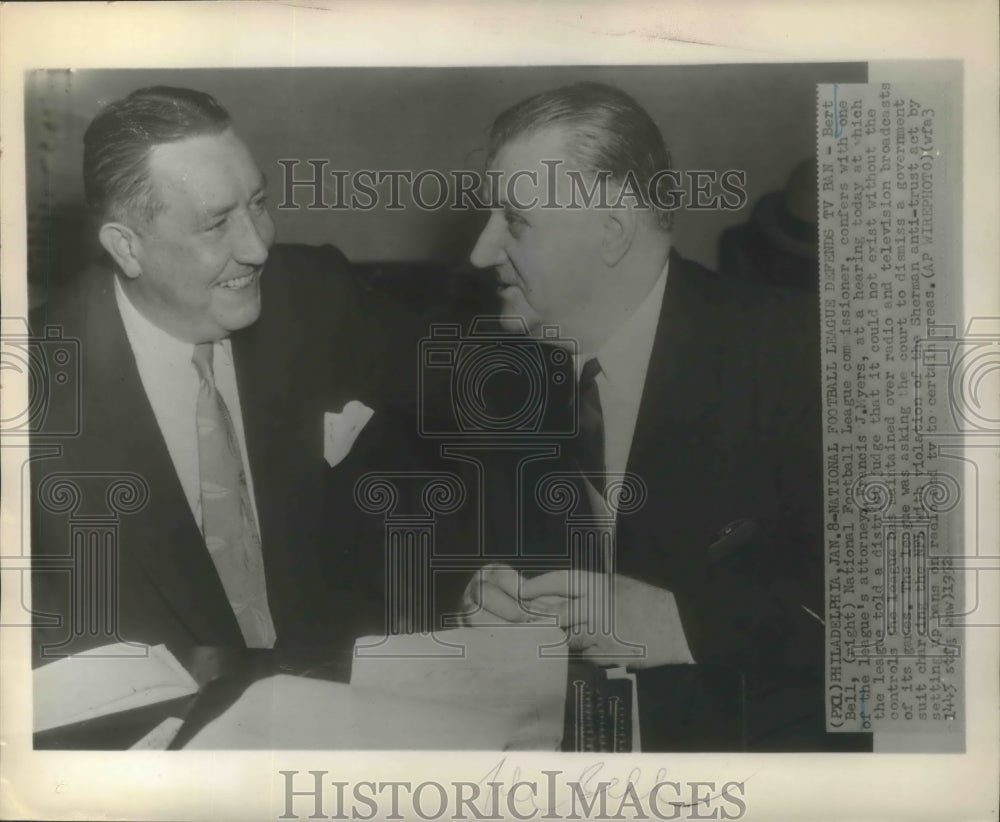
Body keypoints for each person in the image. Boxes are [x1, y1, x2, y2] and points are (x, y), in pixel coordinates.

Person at [459, 81, 869, 751]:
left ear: (612, 232)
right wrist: (487, 598)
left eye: (515, 221)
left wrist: (682, 624)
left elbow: (898, 615)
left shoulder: (806, 354)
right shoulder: (504, 379)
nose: (480, 251)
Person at [29, 86, 411, 662]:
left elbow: (448, 436)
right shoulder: (32, 389)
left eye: (258, 203)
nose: (258, 247)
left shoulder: (317, 294)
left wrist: (467, 577)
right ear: (126, 248)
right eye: (216, 224)